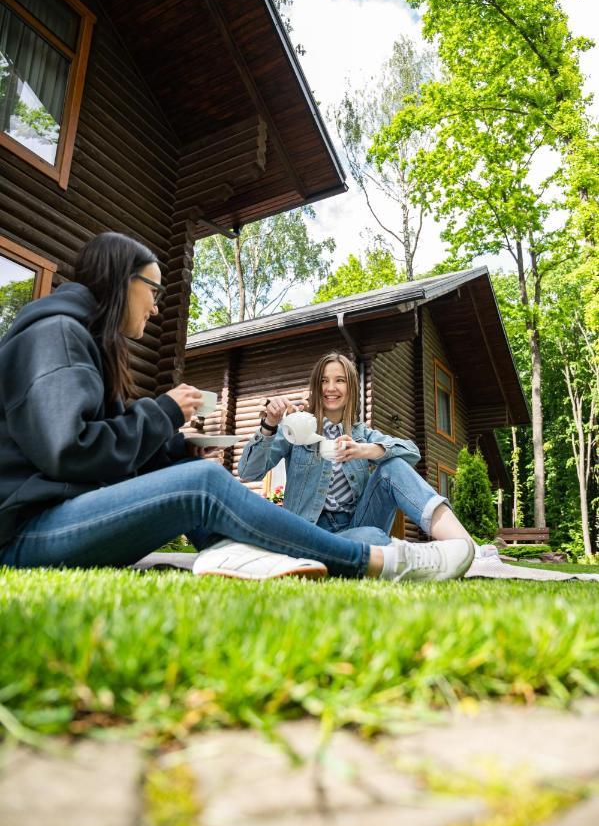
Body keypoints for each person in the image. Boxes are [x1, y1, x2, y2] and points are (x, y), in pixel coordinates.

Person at [0, 233, 472, 582]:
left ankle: (246, 555)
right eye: (154, 290)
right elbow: (71, 451)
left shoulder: (364, 431)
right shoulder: (57, 335)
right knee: (205, 484)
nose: (158, 307)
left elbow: (88, 449)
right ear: (124, 282)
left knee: (209, 481)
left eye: (340, 383)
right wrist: (254, 426)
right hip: (23, 530)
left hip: (52, 516)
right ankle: (387, 562)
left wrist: (168, 449)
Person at [238, 351, 479, 562]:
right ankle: (387, 555)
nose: (331, 388)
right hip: (308, 532)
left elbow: (412, 452)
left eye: (339, 380)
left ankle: (470, 552)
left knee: (391, 468)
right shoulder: (297, 429)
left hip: (355, 528)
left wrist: (366, 450)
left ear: (351, 388)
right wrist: (269, 424)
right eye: (324, 381)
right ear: (315, 387)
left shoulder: (362, 434)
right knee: (374, 538)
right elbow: (248, 471)